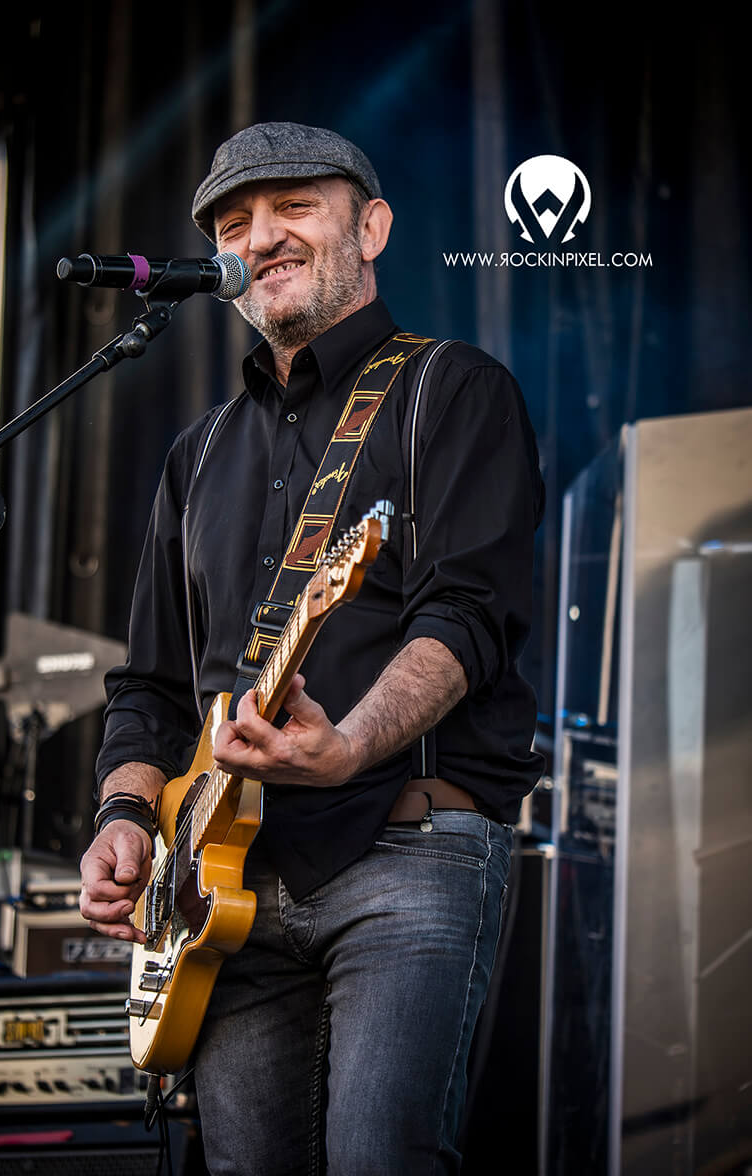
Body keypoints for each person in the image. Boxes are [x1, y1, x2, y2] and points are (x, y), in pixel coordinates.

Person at [79, 121, 545, 1175]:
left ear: (371, 229)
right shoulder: (198, 454)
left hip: (406, 852)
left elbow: (468, 612)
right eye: (234, 223)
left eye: (295, 207)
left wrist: (352, 745)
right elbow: (149, 686)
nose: (261, 237)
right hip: (221, 890)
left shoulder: (450, 389)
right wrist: (123, 816)